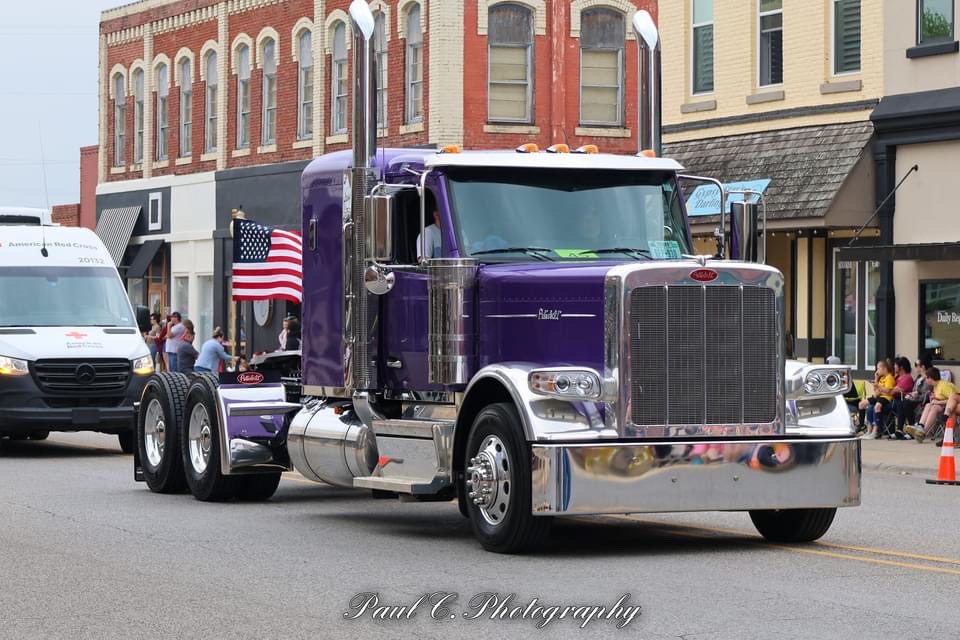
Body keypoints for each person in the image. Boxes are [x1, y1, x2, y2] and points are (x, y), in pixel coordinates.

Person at [913, 367, 957, 443]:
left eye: (926, 378)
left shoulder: (944, 386)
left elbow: (952, 400)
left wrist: (937, 402)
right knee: (928, 405)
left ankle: (923, 432)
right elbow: (941, 398)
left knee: (934, 407)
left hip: (952, 407)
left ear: (930, 378)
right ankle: (921, 426)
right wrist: (935, 398)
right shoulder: (936, 386)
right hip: (944, 406)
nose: (926, 380)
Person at [858, 359, 895, 440]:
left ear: (884, 369)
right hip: (879, 397)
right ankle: (867, 429)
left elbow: (888, 391)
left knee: (877, 406)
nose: (877, 370)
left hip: (886, 398)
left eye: (878, 368)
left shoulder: (889, 377)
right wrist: (876, 378)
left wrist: (878, 386)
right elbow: (876, 391)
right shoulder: (881, 378)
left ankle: (876, 430)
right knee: (863, 405)